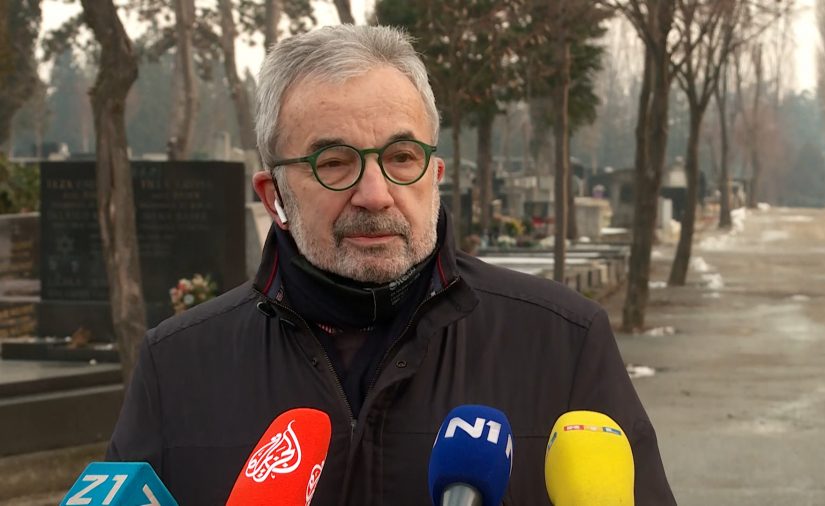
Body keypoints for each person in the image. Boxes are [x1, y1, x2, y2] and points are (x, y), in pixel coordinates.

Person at [107, 25, 675, 505]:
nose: (375, 194)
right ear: (273, 194)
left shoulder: (562, 342)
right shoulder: (176, 366)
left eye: (402, 157)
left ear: (435, 175)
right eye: (334, 162)